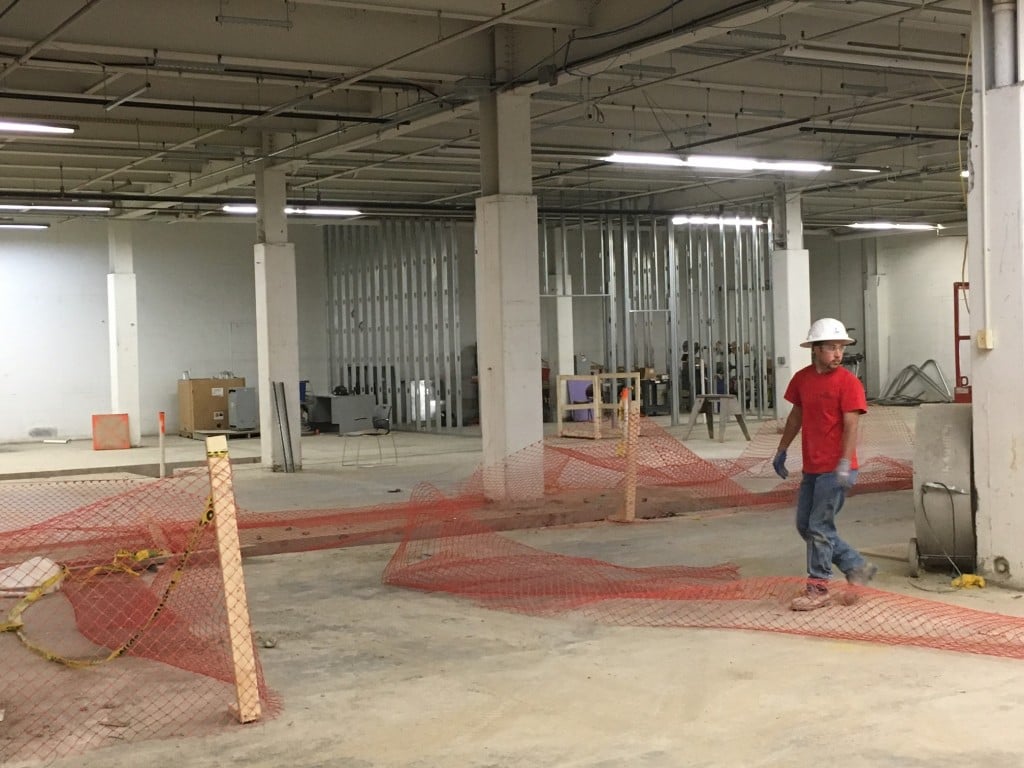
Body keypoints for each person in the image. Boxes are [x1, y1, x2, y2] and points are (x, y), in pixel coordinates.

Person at [772, 318, 876, 610]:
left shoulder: (849, 383)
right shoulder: (802, 380)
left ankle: (818, 588)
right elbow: (795, 417)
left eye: (841, 347)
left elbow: (851, 425)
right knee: (806, 525)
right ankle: (857, 568)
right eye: (831, 348)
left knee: (819, 526)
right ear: (815, 350)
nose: (838, 354)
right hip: (813, 467)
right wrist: (781, 449)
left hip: (836, 468)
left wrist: (845, 462)